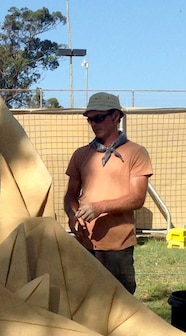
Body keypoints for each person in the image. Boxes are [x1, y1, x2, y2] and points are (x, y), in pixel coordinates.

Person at [64, 92, 152, 294]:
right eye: (90, 119)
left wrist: (99, 207)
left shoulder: (136, 153)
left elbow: (137, 198)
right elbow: (70, 195)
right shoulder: (81, 155)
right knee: (85, 298)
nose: (94, 123)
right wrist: (71, 215)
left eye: (99, 117)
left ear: (116, 117)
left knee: (120, 302)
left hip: (117, 247)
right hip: (85, 244)